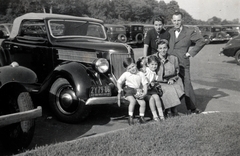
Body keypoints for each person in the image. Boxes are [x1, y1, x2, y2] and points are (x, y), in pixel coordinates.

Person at [168, 11, 206, 114]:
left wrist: (190, 53)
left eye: (178, 20)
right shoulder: (170, 32)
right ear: (172, 21)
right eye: (174, 20)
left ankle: (192, 108)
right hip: (170, 63)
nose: (176, 23)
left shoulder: (189, 31)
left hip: (183, 62)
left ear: (182, 20)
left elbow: (201, 41)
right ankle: (169, 108)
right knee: (169, 84)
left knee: (187, 84)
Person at [154, 39, 184, 117]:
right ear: (157, 49)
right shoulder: (153, 58)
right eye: (160, 48)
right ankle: (170, 110)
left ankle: (172, 108)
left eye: (165, 48)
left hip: (171, 79)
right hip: (158, 81)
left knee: (178, 88)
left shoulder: (173, 58)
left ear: (167, 48)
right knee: (168, 90)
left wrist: (173, 79)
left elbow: (177, 72)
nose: (163, 50)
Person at [117, 57, 148, 125]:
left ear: (135, 64)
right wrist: (119, 88)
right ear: (127, 69)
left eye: (132, 66)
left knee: (143, 103)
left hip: (137, 91)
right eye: (129, 68)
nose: (132, 69)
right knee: (132, 101)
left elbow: (145, 84)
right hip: (128, 90)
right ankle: (130, 117)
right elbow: (119, 82)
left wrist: (145, 93)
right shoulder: (126, 74)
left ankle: (141, 117)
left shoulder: (140, 74)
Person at [137, 56, 165, 122]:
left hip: (150, 89)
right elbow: (142, 71)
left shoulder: (154, 73)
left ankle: (161, 114)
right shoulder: (146, 70)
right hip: (144, 90)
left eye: (155, 64)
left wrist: (154, 83)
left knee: (157, 97)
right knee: (151, 99)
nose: (154, 66)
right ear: (148, 64)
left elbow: (154, 81)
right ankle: (155, 115)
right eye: (152, 64)